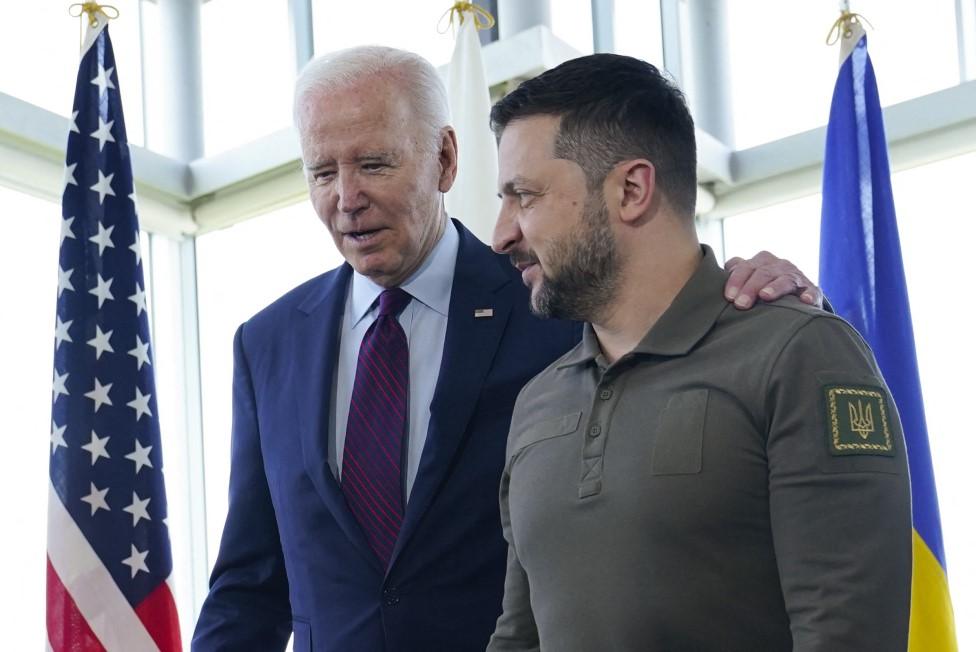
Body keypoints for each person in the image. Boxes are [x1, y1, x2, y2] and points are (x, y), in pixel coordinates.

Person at [191, 46, 824, 652]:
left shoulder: (557, 299)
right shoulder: (267, 343)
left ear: (444, 159)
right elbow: (251, 583)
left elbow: (670, 307)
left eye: (375, 164)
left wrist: (757, 289)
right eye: (322, 173)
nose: (346, 197)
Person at [486, 53, 912, 652]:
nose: (500, 233)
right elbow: (519, 635)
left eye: (523, 197)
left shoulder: (799, 354)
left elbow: (848, 635)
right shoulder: (537, 399)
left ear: (631, 190)